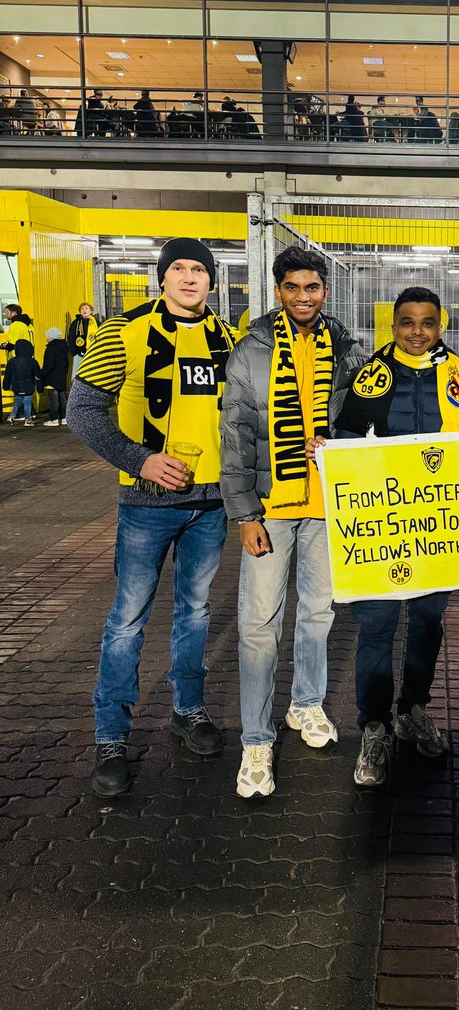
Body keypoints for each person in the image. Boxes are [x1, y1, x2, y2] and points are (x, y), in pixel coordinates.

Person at [67, 238, 239, 798]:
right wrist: (140, 460)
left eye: (199, 270)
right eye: (179, 269)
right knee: (127, 619)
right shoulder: (121, 332)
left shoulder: (229, 339)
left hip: (210, 505)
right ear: (161, 277)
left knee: (195, 614)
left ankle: (188, 711)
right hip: (145, 506)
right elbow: (82, 411)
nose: (190, 278)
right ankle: (111, 737)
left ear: (212, 280)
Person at [220, 247, 366, 799]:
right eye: (292, 287)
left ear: (324, 290)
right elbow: (233, 438)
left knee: (318, 614)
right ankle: (256, 738)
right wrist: (243, 515)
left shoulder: (349, 351)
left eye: (312, 287)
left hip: (327, 509)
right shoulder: (250, 352)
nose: (303, 296)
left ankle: (306, 705)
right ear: (278, 291)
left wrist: (343, 443)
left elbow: (365, 424)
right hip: (270, 509)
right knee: (259, 626)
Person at [333, 287, 459, 788]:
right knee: (376, 626)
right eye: (406, 323)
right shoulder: (374, 375)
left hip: (436, 527)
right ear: (392, 326)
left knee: (426, 622)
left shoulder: (458, 374)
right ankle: (374, 726)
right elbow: (351, 442)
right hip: (382, 525)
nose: (416, 332)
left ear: (440, 326)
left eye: (426, 323)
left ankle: (413, 709)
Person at [3, 339, 42, 425]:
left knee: (18, 400)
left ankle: (11, 416)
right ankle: (27, 419)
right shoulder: (32, 361)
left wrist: (5, 386)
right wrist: (40, 387)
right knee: (27, 402)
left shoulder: (11, 361)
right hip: (28, 386)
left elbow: (7, 375)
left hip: (16, 386)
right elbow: (38, 375)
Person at [40, 327, 69, 426]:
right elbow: (67, 363)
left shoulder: (50, 348)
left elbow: (48, 365)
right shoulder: (63, 348)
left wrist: (41, 374)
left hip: (51, 378)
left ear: (50, 337)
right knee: (62, 398)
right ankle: (64, 418)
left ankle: (54, 419)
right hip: (61, 377)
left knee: (54, 400)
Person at [67, 302, 100, 381]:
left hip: (92, 352)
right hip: (79, 352)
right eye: (82, 309)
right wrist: (73, 350)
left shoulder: (96, 323)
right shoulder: (76, 323)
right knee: (77, 374)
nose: (84, 310)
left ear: (91, 311)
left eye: (86, 308)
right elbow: (71, 337)